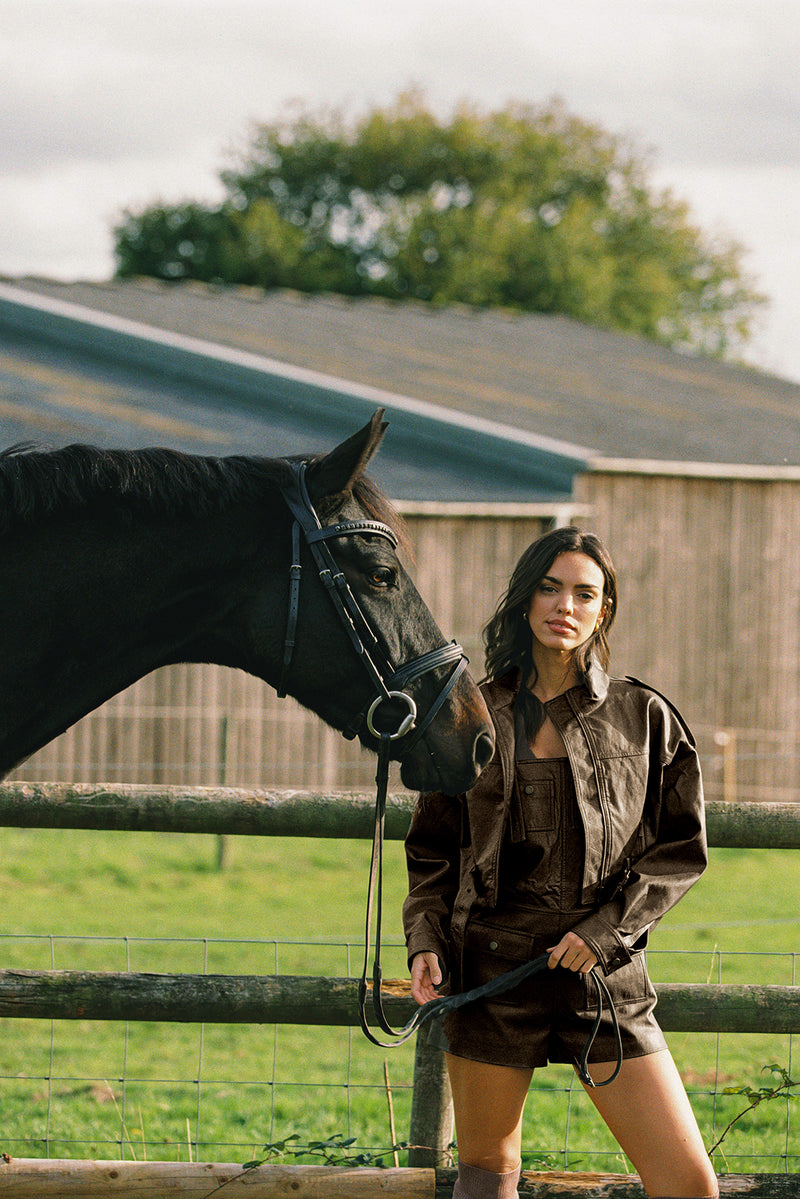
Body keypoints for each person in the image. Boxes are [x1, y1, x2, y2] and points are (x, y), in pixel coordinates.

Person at [403, 527, 719, 1199]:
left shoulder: (645, 716)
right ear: (525, 600)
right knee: (488, 1176)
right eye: (550, 587)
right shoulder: (469, 715)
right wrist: (425, 939)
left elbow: (680, 850)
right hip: (492, 970)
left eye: (584, 592)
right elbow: (432, 847)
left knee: (688, 1183)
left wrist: (605, 933)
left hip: (604, 979)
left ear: (604, 610)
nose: (564, 605)